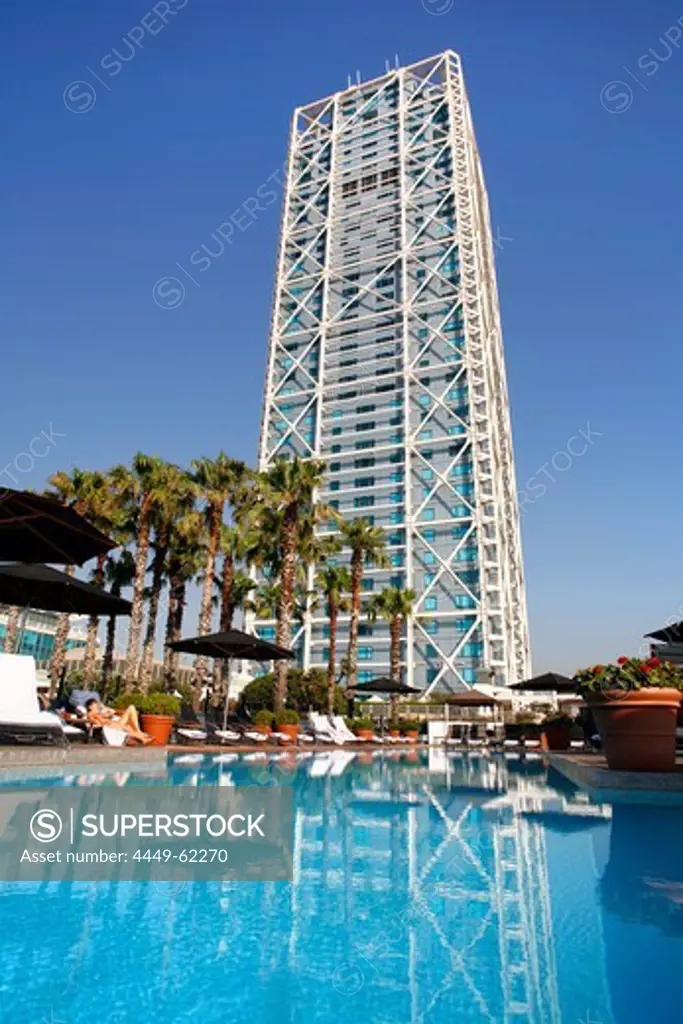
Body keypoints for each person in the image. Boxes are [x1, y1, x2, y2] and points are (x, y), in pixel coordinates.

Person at [84, 698, 152, 744]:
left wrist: (104, 709)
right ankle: (141, 736)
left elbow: (111, 712)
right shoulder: (90, 713)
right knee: (126, 727)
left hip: (113, 723)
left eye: (96, 703)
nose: (96, 705)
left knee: (131, 708)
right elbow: (101, 718)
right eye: (94, 704)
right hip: (109, 725)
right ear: (90, 707)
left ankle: (139, 733)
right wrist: (105, 712)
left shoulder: (99, 712)